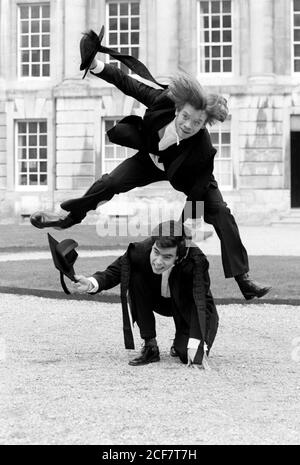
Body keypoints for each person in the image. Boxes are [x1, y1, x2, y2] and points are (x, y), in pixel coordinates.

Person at [31, 29, 271, 301]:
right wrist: (94, 64)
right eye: (186, 117)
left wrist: (181, 234)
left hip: (189, 175)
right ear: (179, 108)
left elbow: (195, 198)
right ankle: (67, 219)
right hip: (151, 160)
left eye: (197, 123)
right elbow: (126, 82)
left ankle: (243, 278)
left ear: (204, 124)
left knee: (220, 212)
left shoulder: (204, 150)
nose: (188, 125)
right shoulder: (163, 102)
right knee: (109, 183)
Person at [72, 220, 218, 369]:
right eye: (156, 252)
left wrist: (196, 344)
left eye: (167, 257)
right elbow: (116, 271)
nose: (158, 262)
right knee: (134, 277)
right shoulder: (141, 250)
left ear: (178, 257)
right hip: (158, 300)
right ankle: (150, 346)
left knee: (187, 354)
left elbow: (201, 303)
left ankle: (179, 342)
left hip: (186, 304)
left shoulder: (196, 261)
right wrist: (91, 283)